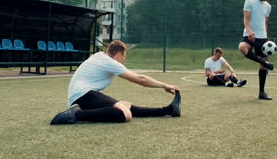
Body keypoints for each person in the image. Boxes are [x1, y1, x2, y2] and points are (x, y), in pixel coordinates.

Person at [50, 40, 181, 125]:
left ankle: (169, 110)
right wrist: (164, 85)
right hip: (83, 96)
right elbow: (140, 79)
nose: (123, 60)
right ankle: (76, 115)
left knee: (126, 105)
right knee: (125, 114)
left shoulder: (99, 55)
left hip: (83, 97)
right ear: (118, 55)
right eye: (124, 57)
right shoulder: (110, 62)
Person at [238, 0, 275, 100]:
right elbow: (246, 19)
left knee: (262, 67)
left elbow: (265, 22)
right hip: (249, 35)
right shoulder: (249, 1)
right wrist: (249, 31)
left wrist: (267, 38)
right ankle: (265, 63)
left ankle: (261, 92)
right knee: (242, 48)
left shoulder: (268, 6)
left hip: (262, 37)